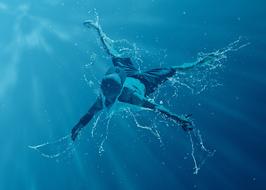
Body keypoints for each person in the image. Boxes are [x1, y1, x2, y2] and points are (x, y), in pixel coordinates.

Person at [71, 19, 217, 141]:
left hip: (146, 82)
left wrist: (178, 119)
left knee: (173, 69)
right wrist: (78, 126)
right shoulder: (103, 96)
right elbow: (90, 114)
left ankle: (198, 63)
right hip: (127, 76)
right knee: (112, 54)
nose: (106, 99)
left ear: (119, 91)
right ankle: (97, 30)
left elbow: (157, 108)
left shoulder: (133, 97)